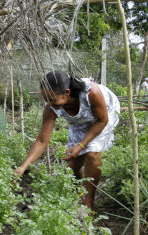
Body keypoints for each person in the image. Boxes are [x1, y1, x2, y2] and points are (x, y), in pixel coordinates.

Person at [14, 70, 120, 210]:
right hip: (79, 122)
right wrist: (22, 167)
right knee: (73, 165)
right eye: (46, 99)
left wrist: (81, 145)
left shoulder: (91, 93)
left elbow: (102, 120)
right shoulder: (51, 108)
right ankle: (77, 194)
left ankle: (89, 204)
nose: (49, 103)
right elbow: (41, 141)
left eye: (52, 99)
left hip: (104, 114)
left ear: (67, 92)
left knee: (91, 153)